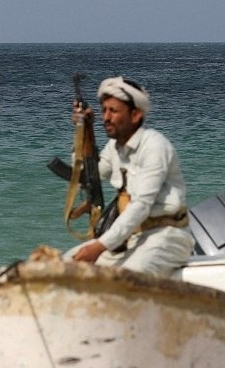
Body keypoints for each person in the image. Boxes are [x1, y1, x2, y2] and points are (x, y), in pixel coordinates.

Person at [69, 76, 194, 277]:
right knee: (65, 266)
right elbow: (88, 178)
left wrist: (100, 246)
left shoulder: (154, 146)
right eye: (103, 111)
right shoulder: (114, 148)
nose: (106, 117)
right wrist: (83, 131)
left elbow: (141, 205)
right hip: (131, 238)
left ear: (135, 115)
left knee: (127, 278)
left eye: (114, 111)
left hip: (167, 238)